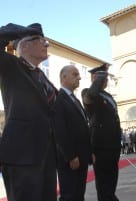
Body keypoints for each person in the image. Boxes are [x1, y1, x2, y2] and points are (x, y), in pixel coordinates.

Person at [0, 23, 58, 201]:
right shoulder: (11, 67)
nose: (46, 45)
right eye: (41, 41)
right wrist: (24, 30)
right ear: (24, 45)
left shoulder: (42, 76)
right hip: (22, 155)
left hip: (46, 155)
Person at [82, 64, 121, 201]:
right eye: (102, 77)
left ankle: (110, 197)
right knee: (103, 181)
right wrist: (97, 80)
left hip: (113, 145)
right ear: (94, 78)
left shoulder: (108, 95)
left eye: (105, 77)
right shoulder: (88, 93)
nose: (105, 80)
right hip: (101, 145)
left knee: (112, 178)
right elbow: (91, 95)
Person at [52, 65, 91, 201]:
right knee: (69, 195)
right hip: (70, 159)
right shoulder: (59, 100)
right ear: (64, 78)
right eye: (75, 74)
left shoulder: (75, 99)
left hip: (81, 156)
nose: (79, 77)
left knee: (79, 194)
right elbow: (60, 131)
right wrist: (70, 156)